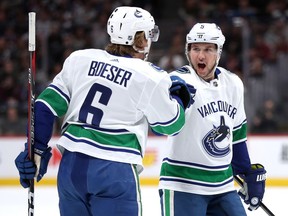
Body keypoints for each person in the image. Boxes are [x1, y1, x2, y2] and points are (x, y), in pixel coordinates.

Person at [14, 6, 193, 216]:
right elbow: (169, 126)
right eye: (149, 35)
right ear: (141, 39)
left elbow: (44, 106)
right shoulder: (151, 76)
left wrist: (34, 148)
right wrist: (180, 100)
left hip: (71, 169)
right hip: (114, 170)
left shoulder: (80, 59)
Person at [158, 23, 267, 216]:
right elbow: (161, 128)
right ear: (188, 51)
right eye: (195, 49)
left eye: (208, 49)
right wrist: (172, 103)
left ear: (218, 52)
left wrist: (245, 171)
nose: (200, 56)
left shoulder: (232, 83)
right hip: (183, 185)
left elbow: (237, 133)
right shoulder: (177, 81)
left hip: (222, 185)